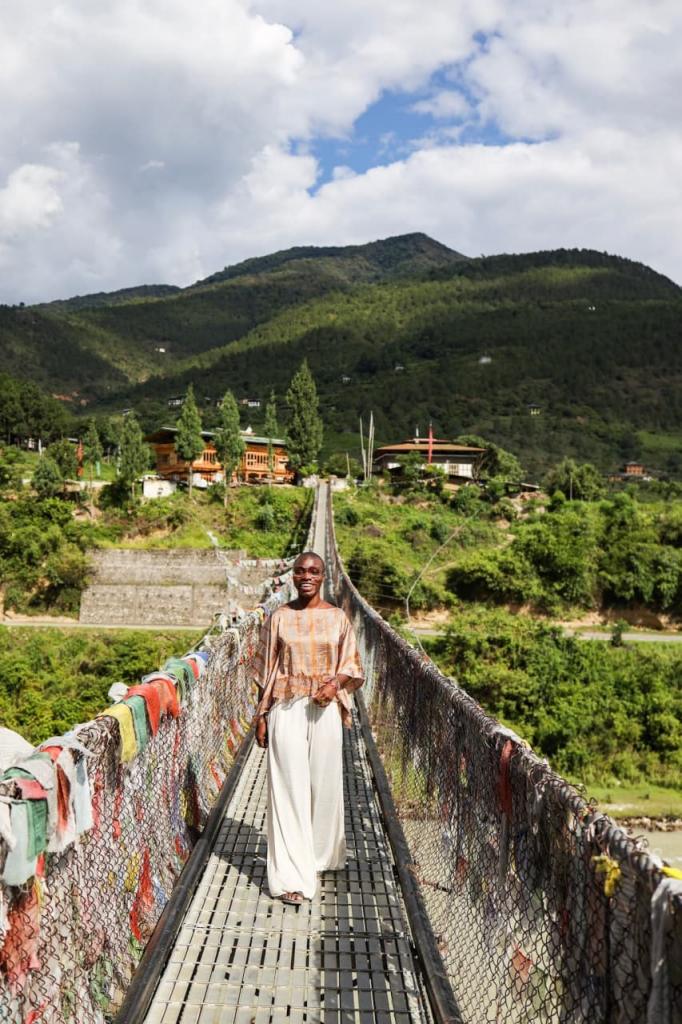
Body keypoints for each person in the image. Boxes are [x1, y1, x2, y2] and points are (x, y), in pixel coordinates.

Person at [254, 550, 364, 905]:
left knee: (324, 781)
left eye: (314, 571)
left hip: (326, 706)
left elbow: (352, 663)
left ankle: (320, 855)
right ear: (292, 576)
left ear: (323, 575)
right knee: (288, 787)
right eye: (300, 571)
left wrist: (334, 685)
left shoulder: (338, 618)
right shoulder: (279, 617)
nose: (306, 576)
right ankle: (291, 877)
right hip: (286, 707)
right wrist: (261, 714)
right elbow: (265, 669)